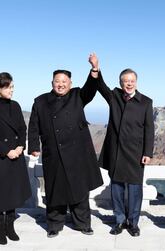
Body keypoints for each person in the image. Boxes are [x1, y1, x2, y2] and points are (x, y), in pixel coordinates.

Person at [27, 55, 103, 238]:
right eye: (57, 81)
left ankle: (83, 224)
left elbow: (91, 88)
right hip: (53, 152)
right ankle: (54, 225)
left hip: (77, 153)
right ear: (52, 82)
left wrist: (94, 69)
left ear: (70, 83)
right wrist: (34, 146)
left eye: (64, 81)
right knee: (54, 190)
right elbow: (34, 125)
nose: (60, 84)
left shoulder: (78, 95)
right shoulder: (41, 101)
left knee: (79, 190)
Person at [90, 53, 154, 237]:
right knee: (116, 189)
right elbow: (100, 85)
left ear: (136, 82)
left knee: (135, 190)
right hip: (116, 152)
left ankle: (133, 223)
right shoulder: (115, 97)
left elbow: (149, 130)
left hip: (136, 153)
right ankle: (119, 220)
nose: (129, 83)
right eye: (126, 81)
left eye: (132, 80)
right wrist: (95, 68)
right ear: (121, 83)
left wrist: (147, 152)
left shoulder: (145, 102)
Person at [0, 72, 32, 245]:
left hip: (15, 155)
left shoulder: (15, 106)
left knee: (13, 192)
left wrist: (19, 146)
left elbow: (21, 128)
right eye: (8, 87)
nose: (12, 90)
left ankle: (10, 227)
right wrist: (6, 151)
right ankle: (0, 228)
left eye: (12, 87)